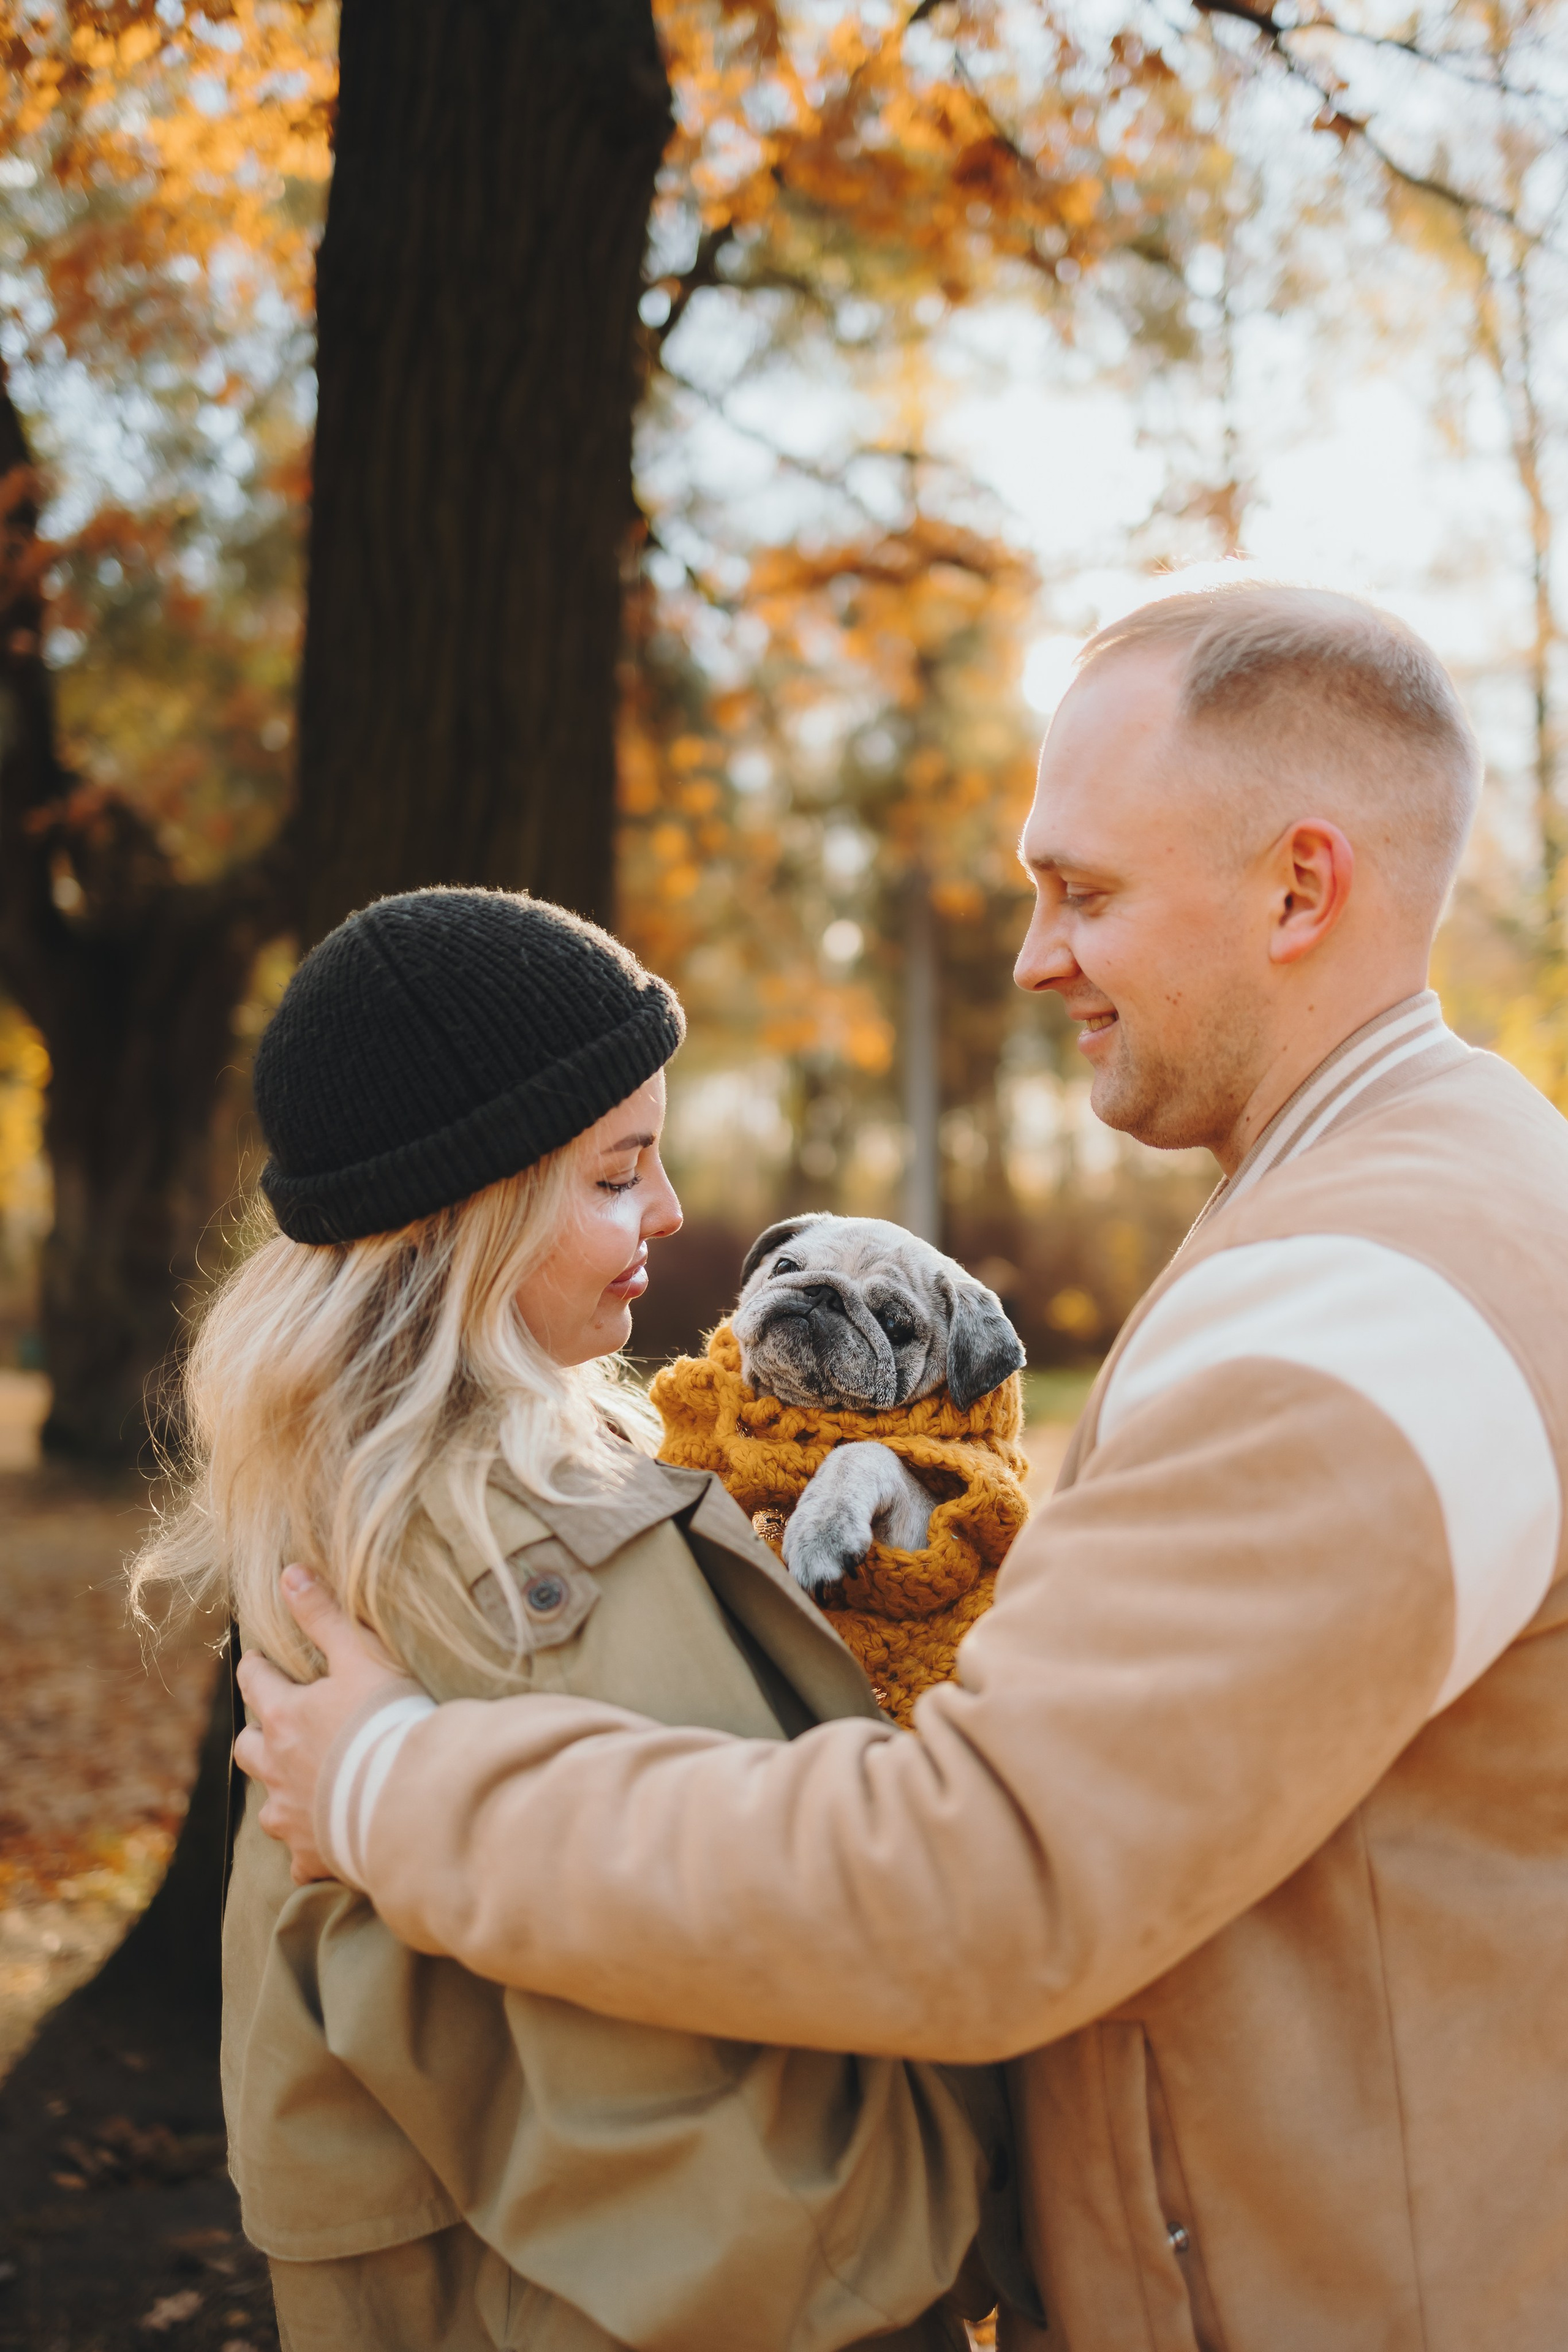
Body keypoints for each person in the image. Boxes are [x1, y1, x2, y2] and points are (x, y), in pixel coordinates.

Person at [238, 586, 1568, 2352]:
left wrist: (398, 1784)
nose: (1035, 959)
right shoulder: (1438, 1187)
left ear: (1300, 891)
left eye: (1082, 893)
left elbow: (986, 1880)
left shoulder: (1362, 1313)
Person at [134, 888, 1019, 2352]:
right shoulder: (500, 1546)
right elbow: (746, 1949)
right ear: (459, 1215)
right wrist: (912, 2221)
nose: (669, 1215)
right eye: (615, 1176)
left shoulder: (388, 1485)